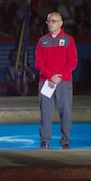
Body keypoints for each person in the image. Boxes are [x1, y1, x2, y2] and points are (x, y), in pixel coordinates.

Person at [34, 12, 78, 150]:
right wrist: (50, 76)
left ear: (60, 23)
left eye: (53, 21)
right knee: (45, 112)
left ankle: (65, 141)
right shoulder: (42, 41)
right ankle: (45, 142)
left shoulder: (68, 40)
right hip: (46, 82)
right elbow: (38, 63)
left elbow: (73, 61)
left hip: (63, 82)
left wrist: (60, 76)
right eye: (48, 21)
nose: (50, 23)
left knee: (65, 112)